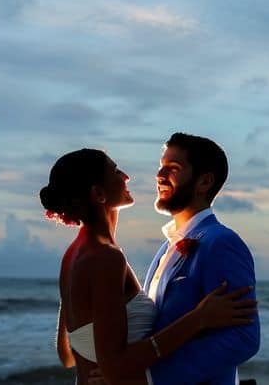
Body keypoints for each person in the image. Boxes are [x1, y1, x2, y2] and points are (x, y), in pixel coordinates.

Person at [41, 148, 257, 385]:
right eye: (115, 171)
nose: (125, 176)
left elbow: (68, 355)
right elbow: (114, 369)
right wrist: (198, 319)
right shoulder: (106, 258)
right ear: (99, 193)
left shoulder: (72, 255)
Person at [144, 133, 260, 385]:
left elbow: (243, 337)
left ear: (204, 181)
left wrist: (153, 378)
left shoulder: (221, 243)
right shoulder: (165, 248)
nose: (160, 175)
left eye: (173, 168)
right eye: (161, 166)